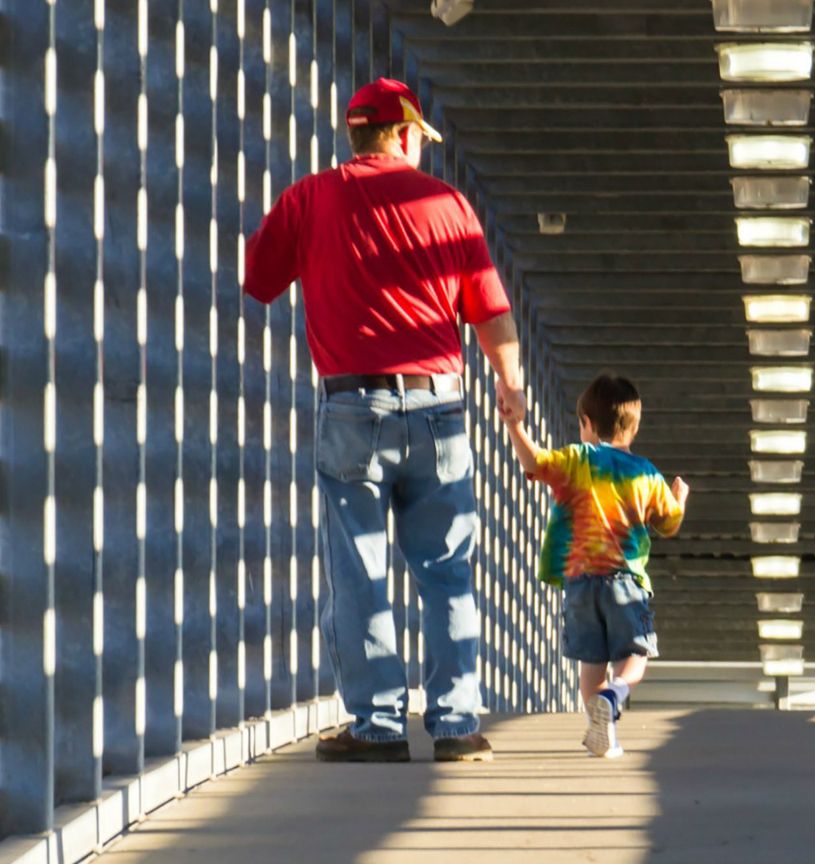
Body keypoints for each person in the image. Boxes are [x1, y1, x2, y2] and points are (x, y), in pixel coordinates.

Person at [243, 78, 526, 763]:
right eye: (419, 139)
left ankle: (377, 728)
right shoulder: (447, 204)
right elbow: (490, 311)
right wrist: (511, 384)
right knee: (447, 571)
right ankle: (456, 726)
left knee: (360, 574)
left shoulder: (310, 198)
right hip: (439, 410)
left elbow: (258, 279)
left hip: (352, 409)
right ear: (403, 135)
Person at [504, 373, 688, 758]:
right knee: (635, 657)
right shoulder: (645, 473)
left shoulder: (576, 459)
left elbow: (534, 462)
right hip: (625, 581)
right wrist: (679, 500)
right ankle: (615, 694)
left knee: (591, 665)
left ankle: (603, 734)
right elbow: (669, 523)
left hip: (580, 584)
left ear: (586, 423)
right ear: (633, 428)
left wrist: (515, 426)